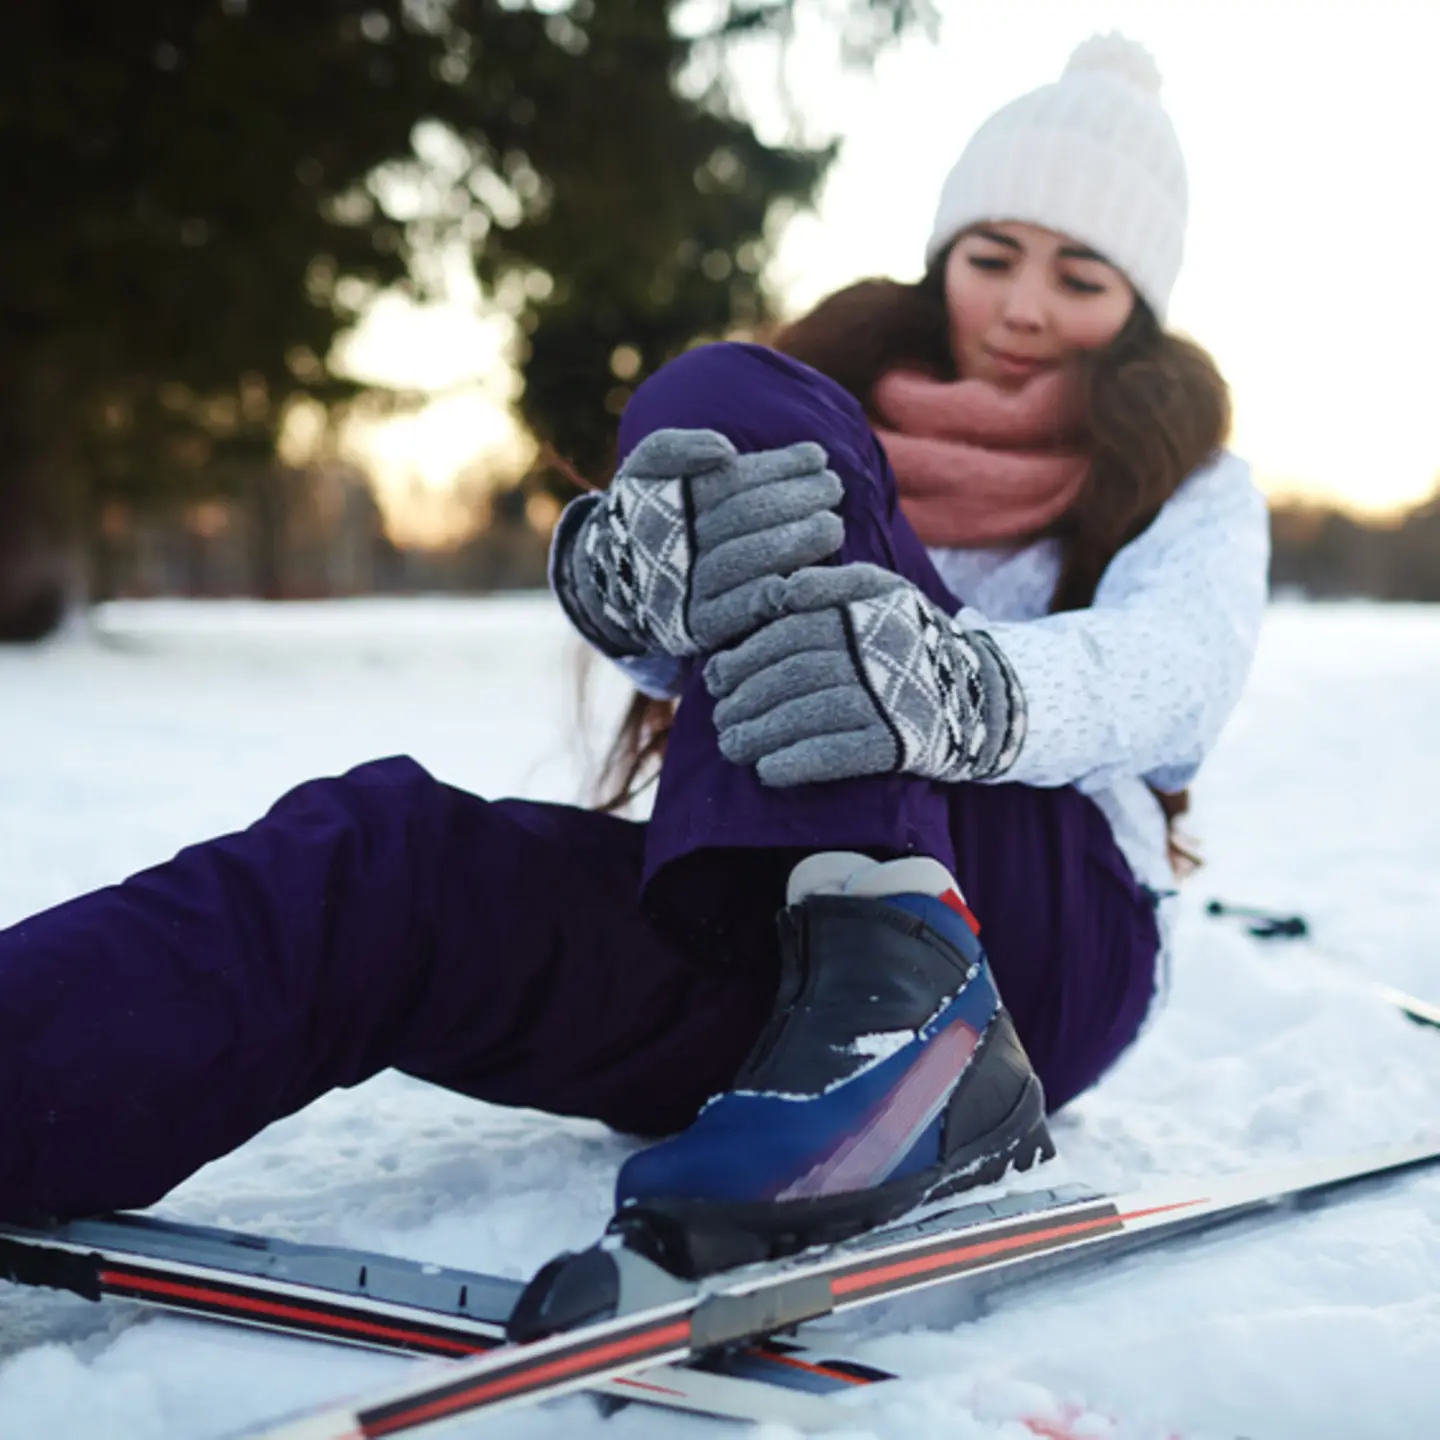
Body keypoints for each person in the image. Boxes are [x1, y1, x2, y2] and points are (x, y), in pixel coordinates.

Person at [0, 34, 1267, 1281]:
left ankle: (910, 1026)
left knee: (757, 410)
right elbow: (707, 658)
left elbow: (1175, 667)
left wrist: (965, 688)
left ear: (1137, 307)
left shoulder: (1188, 481)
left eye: (1082, 277)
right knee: (382, 864)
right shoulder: (830, 399)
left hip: (1041, 939)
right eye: (995, 257)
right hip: (768, 934)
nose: (1027, 305)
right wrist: (629, 582)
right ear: (947, 257)